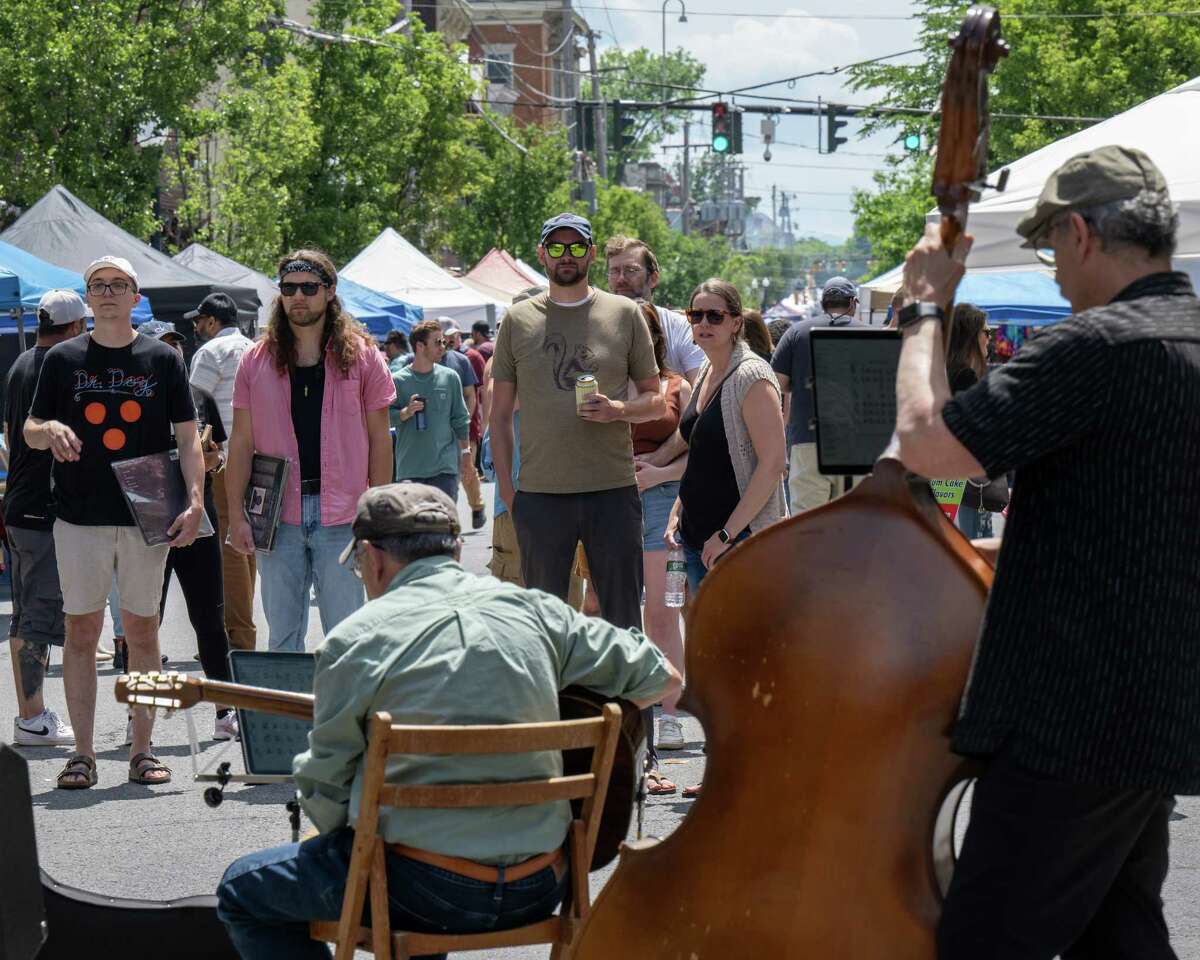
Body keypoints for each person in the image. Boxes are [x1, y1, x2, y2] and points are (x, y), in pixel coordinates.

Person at [892, 145, 1200, 959]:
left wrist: (926, 309)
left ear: (1080, 232)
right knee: (1121, 937)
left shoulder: (1093, 347)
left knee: (984, 943)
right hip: (1160, 709)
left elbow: (927, 443)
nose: (1055, 269)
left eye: (1051, 246)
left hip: (1071, 720)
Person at [216, 483, 681, 960]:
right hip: (543, 881)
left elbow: (326, 788)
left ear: (372, 558)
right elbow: (661, 677)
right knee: (396, 849)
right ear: (457, 550)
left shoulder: (355, 640)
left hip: (416, 890)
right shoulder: (536, 612)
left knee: (243, 890)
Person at [25, 256, 206, 789]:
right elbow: (30, 429)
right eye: (97, 286)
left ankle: (142, 750)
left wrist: (195, 501)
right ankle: (82, 753)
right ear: (86, 299)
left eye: (117, 285)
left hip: (146, 515)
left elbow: (189, 437)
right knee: (81, 631)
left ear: (135, 295)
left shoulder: (162, 358)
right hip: (79, 517)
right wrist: (50, 427)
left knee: (143, 632)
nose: (107, 293)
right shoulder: (61, 359)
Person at [490, 212, 665, 634]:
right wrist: (512, 495)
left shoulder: (625, 314)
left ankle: (628, 703)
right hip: (541, 496)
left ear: (589, 254)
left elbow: (656, 401)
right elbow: (497, 415)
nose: (565, 256)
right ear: (542, 255)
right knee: (546, 626)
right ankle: (552, 703)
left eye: (574, 248)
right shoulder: (517, 320)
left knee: (622, 621)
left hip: (612, 492)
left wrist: (618, 410)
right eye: (555, 247)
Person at [226, 249, 395, 652]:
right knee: (282, 638)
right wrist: (236, 514)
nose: (298, 297)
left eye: (308, 288)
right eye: (288, 289)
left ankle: (345, 714)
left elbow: (380, 441)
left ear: (330, 292)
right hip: (276, 517)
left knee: (347, 635)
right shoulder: (255, 360)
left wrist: (377, 514)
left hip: (344, 515)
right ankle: (289, 717)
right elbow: (242, 442)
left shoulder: (363, 357)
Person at [665, 280, 786, 801]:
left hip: (738, 542)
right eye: (696, 315)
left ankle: (751, 772)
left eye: (715, 316)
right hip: (698, 538)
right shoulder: (708, 375)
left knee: (742, 659)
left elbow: (772, 466)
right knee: (713, 659)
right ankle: (726, 768)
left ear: (737, 321)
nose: (703, 325)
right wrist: (675, 504)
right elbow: (697, 449)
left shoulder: (752, 375)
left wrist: (727, 532)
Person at [140, 320, 239, 742]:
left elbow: (215, 458)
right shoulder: (137, 396)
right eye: (163, 346)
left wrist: (214, 461)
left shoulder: (199, 395)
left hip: (197, 519)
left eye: (176, 346)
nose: (173, 354)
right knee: (145, 620)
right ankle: (139, 714)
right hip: (147, 519)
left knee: (209, 618)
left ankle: (224, 709)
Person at [5, 290, 86, 747]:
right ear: (75, 327)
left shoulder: (20, 364)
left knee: (28, 611)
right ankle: (32, 718)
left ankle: (31, 715)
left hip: (22, 502)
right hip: (38, 506)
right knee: (37, 612)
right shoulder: (57, 366)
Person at [631, 302, 692, 770]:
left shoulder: (678, 386)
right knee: (604, 605)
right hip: (605, 501)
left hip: (662, 503)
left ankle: (669, 713)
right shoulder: (595, 385)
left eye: (637, 329)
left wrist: (657, 473)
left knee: (662, 609)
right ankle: (625, 709)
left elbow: (702, 456)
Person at [187, 292, 258, 651]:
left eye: (200, 321)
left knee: (230, 550)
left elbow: (193, 409)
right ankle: (243, 633)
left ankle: (240, 639)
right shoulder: (257, 349)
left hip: (226, 463)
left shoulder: (210, 353)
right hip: (261, 462)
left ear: (213, 322)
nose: (197, 327)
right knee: (249, 549)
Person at [770, 276, 867, 512]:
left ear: (823, 303)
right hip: (856, 445)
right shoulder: (869, 333)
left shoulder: (795, 333)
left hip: (807, 441)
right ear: (853, 303)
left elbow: (777, 383)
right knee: (851, 524)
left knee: (808, 527)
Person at [604, 234, 705, 383]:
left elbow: (700, 393)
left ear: (653, 279)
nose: (621, 279)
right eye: (614, 271)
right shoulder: (596, 327)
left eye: (631, 270)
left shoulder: (681, 328)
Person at [391, 319, 471, 503]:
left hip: (445, 470)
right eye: (437, 342)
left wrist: (466, 453)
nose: (443, 346)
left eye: (443, 341)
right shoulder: (398, 381)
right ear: (420, 346)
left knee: (444, 527)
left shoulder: (450, 377)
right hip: (410, 471)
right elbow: (383, 419)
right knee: (415, 529)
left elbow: (460, 418)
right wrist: (405, 412)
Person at [944, 303, 1002, 540]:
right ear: (972, 335)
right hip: (969, 475)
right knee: (977, 541)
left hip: (946, 472)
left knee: (950, 536)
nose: (990, 338)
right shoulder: (965, 375)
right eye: (986, 332)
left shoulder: (947, 370)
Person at [437, 318, 487, 529]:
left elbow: (472, 395)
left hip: (463, 426)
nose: (450, 339)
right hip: (436, 432)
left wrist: (463, 421)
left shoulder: (462, 360)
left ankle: (477, 506)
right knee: (447, 474)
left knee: (466, 470)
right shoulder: (422, 361)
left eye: (453, 335)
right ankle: (450, 521)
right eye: (446, 335)